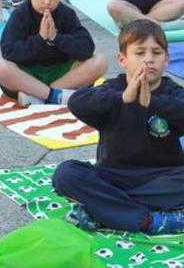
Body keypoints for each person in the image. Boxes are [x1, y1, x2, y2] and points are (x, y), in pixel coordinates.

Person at [53, 20, 184, 235]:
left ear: (166, 60)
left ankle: (101, 213)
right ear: (122, 59)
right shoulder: (113, 89)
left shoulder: (172, 92)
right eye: (140, 52)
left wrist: (153, 103)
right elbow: (77, 102)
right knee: (65, 174)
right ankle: (149, 221)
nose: (149, 59)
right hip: (113, 177)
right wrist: (122, 98)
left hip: (163, 177)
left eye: (156, 52)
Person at [0, 0, 107, 107]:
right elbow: (9, 52)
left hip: (61, 73)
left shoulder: (66, 14)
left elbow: (87, 48)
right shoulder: (20, 15)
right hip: (28, 75)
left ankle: (42, 95)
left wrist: (56, 38)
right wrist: (40, 39)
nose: (47, 2)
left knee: (100, 61)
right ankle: (54, 95)